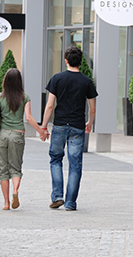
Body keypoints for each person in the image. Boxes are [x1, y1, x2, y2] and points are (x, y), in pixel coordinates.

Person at [41, 46, 97, 211]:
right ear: (80, 61)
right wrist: (90, 122)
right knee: (75, 164)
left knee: (56, 159)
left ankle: (58, 196)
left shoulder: (57, 78)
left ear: (65, 60)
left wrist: (44, 126)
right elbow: (92, 108)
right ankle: (71, 202)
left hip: (59, 125)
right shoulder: (87, 81)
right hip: (77, 126)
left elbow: (50, 105)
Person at [0, 68, 49, 210]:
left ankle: (6, 203)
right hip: (17, 136)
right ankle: (15, 191)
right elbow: (29, 117)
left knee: (3, 170)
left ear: (5, 81)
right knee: (16, 168)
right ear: (19, 81)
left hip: (1, 136)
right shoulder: (24, 97)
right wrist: (41, 132)